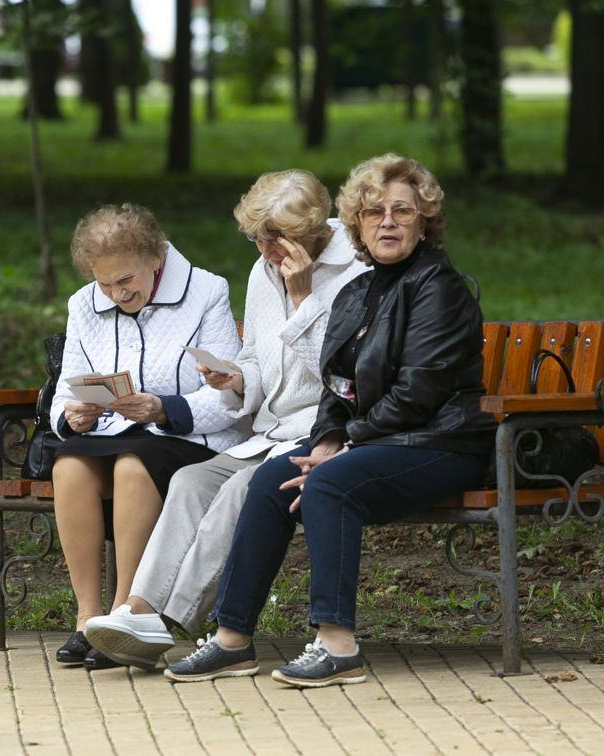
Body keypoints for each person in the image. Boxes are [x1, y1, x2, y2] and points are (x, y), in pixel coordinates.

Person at [163, 153, 495, 687]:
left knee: (330, 485)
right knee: (272, 479)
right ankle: (232, 639)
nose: (387, 222)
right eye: (374, 212)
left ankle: (337, 644)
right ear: (357, 224)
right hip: (381, 442)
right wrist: (327, 437)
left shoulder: (439, 287)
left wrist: (344, 448)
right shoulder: (360, 290)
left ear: (424, 221)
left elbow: (419, 392)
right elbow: (336, 386)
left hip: (442, 444)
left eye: (402, 211)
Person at [83, 170, 366, 670]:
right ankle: (140, 610)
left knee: (241, 491)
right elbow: (258, 359)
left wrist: (302, 298)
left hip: (325, 434)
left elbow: (346, 375)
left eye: (275, 239)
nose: (264, 251)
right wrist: (234, 380)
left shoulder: (357, 269)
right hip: (271, 433)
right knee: (193, 481)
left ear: (313, 231)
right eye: (257, 239)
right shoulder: (264, 270)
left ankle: (174, 625)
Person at [50, 203, 248, 670]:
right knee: (69, 465)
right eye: (106, 284)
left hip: (182, 436)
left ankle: (123, 620)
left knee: (131, 465)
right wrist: (72, 415)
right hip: (110, 430)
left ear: (155, 260)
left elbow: (229, 394)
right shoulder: (82, 304)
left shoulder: (206, 291)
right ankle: (86, 618)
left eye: (127, 281)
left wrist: (165, 408)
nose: (118, 294)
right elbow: (65, 390)